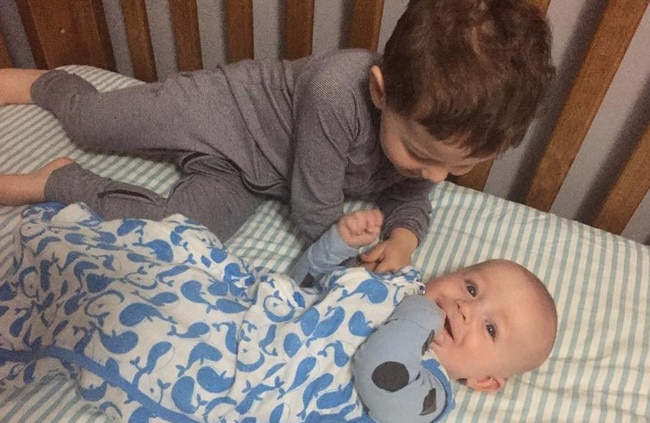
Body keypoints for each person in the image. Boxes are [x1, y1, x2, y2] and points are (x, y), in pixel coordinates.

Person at [0, 0, 555, 273]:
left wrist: (406, 237)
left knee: (175, 239)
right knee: (94, 123)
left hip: (250, 177)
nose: (433, 175)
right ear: (382, 92)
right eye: (420, 154)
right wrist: (341, 259)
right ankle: (51, 86)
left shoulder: (424, 143)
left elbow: (409, 196)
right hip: (218, 113)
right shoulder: (338, 90)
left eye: (455, 168)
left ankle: (57, 181)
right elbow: (315, 204)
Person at [0, 205, 557, 423]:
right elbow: (301, 293)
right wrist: (336, 248)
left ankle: (66, 308)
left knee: (130, 323)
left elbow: (377, 369)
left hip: (251, 380)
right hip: (254, 317)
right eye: (472, 286)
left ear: (485, 380)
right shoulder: (398, 284)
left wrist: (416, 313)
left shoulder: (430, 391)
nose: (461, 307)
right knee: (183, 251)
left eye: (489, 326)